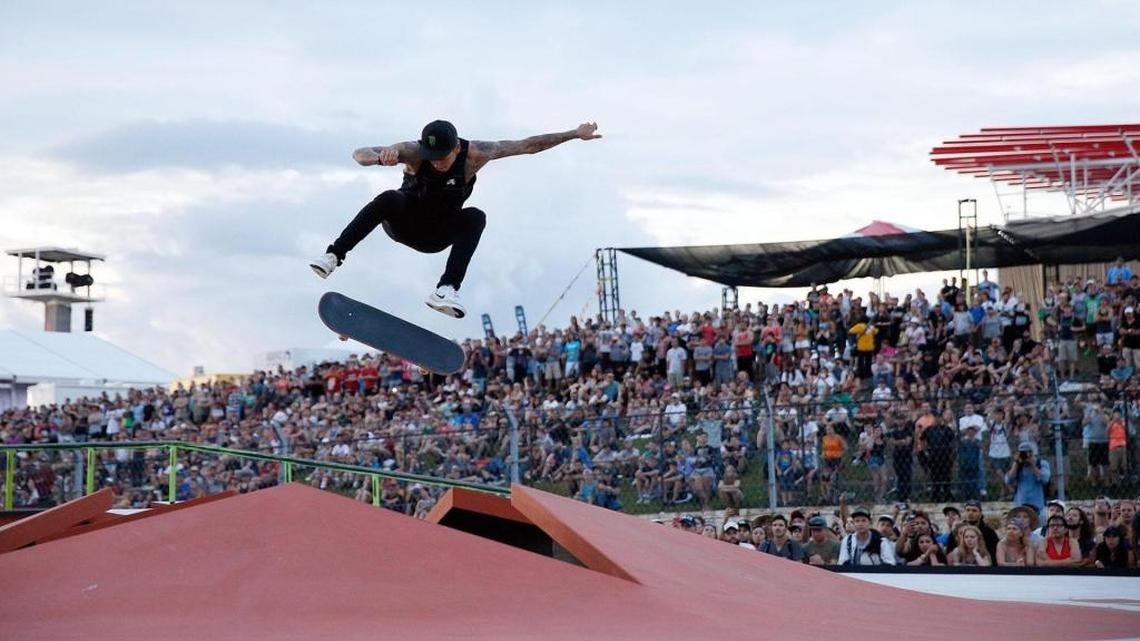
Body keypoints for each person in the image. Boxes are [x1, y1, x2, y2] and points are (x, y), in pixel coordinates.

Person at [311, 120, 602, 318]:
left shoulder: (477, 153)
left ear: (457, 148)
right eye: (431, 155)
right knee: (390, 197)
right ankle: (334, 256)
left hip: (437, 234)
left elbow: (527, 145)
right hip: (404, 224)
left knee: (475, 216)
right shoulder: (413, 152)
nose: (436, 161)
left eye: (442, 157)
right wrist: (378, 157)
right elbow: (359, 153)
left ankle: (446, 289)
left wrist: (574, 134)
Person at [1005, 442, 1050, 516]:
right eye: (1023, 453)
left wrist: (1032, 464)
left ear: (1032, 453)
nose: (1026, 455)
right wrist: (1016, 463)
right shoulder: (1018, 465)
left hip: (1037, 505)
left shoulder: (1041, 463)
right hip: (1020, 504)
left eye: (1028, 452)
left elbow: (1045, 479)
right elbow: (1008, 480)